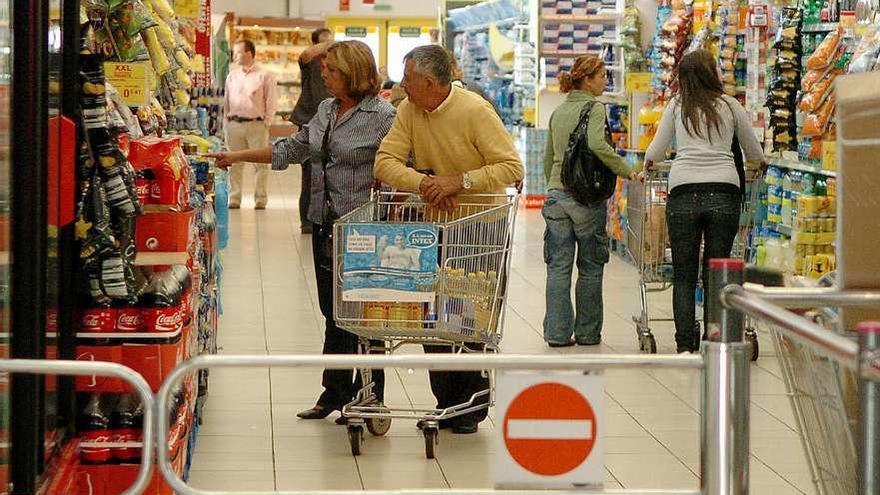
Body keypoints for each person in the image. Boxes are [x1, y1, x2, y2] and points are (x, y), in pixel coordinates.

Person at [209, 40, 395, 421]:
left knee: (365, 312)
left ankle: (370, 394)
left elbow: (401, 162)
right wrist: (237, 157)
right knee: (332, 310)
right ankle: (334, 393)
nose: (323, 76)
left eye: (331, 71)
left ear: (354, 73)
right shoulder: (326, 110)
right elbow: (292, 149)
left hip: (366, 229)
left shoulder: (384, 116)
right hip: (325, 223)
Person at [374, 44, 524, 434]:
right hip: (432, 227)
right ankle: (446, 400)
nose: (401, 86)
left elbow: (511, 166)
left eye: (408, 79)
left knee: (471, 317)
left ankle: (470, 405)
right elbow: (385, 162)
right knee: (434, 319)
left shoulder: (475, 110)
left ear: (429, 81)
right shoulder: (408, 110)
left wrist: (461, 181)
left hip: (479, 226)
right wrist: (424, 184)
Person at [645, 49, 765, 353]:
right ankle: (715, 337)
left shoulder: (676, 107)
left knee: (684, 274)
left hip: (683, 191)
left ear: (683, 78)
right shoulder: (730, 106)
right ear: (712, 74)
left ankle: (684, 343)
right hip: (724, 192)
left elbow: (654, 153)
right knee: (716, 271)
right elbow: (754, 153)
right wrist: (758, 164)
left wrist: (649, 164)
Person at [542, 54, 638, 348]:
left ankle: (557, 333)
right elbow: (597, 144)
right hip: (585, 199)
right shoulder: (594, 108)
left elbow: (548, 159)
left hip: (557, 197)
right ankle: (586, 333)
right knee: (591, 266)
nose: (605, 81)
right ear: (586, 79)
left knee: (558, 267)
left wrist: (554, 186)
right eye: (602, 76)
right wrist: (626, 170)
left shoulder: (559, 112)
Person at [223, 39, 277, 209]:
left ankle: (260, 199)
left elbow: (271, 100)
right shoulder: (232, 75)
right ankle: (234, 197)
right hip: (234, 124)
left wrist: (266, 122)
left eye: (238, 52)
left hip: (256, 125)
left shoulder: (265, 75)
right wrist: (226, 122)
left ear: (248, 53)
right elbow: (226, 101)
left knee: (260, 164)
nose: (235, 56)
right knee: (233, 163)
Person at [289, 27, 333, 233]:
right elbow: (305, 55)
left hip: (329, 121)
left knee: (326, 170)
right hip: (309, 119)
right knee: (309, 169)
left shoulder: (334, 66)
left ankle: (322, 215)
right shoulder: (309, 62)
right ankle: (306, 219)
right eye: (324, 42)